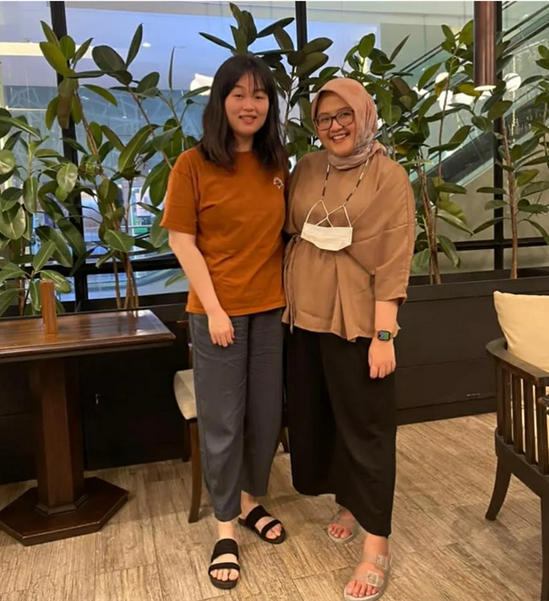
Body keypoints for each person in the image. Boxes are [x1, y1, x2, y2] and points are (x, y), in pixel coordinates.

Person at [283, 77, 415, 601]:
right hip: (303, 318)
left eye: (345, 115)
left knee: (367, 429)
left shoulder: (389, 177)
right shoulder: (307, 167)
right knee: (323, 418)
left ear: (364, 116)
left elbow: (393, 262)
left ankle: (376, 544)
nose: (335, 126)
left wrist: (384, 335)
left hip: (358, 321)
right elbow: (286, 230)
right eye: (324, 118)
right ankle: (347, 502)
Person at [162, 54, 288, 591]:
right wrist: (215, 309)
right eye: (239, 94)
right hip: (217, 313)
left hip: (271, 309)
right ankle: (225, 528)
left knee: (264, 415)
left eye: (260, 95)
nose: (250, 104)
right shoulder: (192, 165)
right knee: (222, 421)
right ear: (221, 101)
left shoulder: (277, 164)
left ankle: (251, 501)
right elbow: (181, 241)